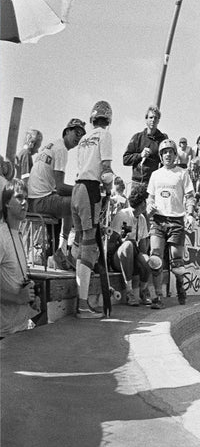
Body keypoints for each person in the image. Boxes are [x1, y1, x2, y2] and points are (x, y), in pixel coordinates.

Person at [71, 101, 117, 319]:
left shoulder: (83, 139)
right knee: (89, 247)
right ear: (108, 119)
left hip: (77, 189)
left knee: (81, 244)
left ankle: (81, 301)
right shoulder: (104, 136)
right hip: (90, 190)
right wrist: (110, 188)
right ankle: (82, 305)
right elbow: (106, 171)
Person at [26, 118, 86, 268]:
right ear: (67, 132)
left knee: (72, 198)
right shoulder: (61, 150)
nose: (78, 138)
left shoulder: (53, 145)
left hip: (33, 200)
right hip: (40, 202)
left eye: (81, 135)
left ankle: (58, 249)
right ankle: (69, 250)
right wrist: (83, 189)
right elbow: (60, 187)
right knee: (81, 200)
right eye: (76, 133)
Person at [146, 138, 193, 307]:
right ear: (160, 155)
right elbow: (150, 198)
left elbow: (189, 196)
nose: (167, 155)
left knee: (176, 260)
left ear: (175, 155)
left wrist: (191, 214)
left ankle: (181, 287)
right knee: (155, 257)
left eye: (170, 152)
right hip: (158, 220)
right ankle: (157, 297)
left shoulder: (182, 173)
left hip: (176, 220)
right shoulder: (155, 175)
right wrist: (149, 206)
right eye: (164, 152)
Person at [107, 186, 155, 305]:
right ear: (142, 203)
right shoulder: (122, 215)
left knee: (148, 260)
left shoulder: (142, 219)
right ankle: (129, 292)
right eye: (145, 201)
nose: (146, 204)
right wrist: (122, 241)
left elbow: (143, 249)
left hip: (133, 257)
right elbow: (110, 243)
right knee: (128, 245)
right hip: (118, 258)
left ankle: (143, 291)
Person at [1, 181, 37, 337]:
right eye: (19, 197)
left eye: (26, 198)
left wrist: (30, 298)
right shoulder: (1, 236)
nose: (25, 203)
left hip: (21, 330)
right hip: (4, 334)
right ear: (7, 203)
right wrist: (17, 298)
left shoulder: (18, 234)